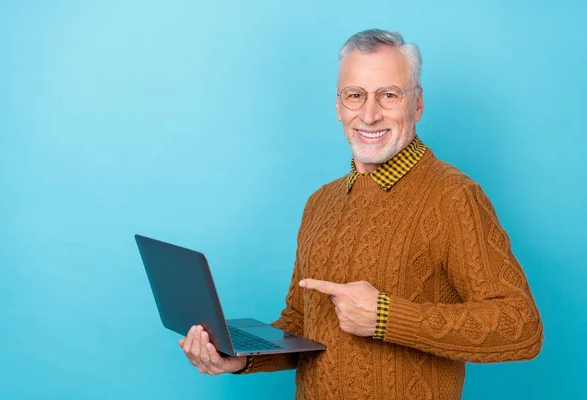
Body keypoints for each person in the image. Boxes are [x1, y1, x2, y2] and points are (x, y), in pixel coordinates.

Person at [178, 29, 544, 399]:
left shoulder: (453, 196)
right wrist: (240, 357)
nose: (369, 115)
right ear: (339, 106)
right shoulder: (320, 202)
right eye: (355, 96)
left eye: (388, 95)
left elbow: (522, 326)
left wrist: (387, 318)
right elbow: (301, 324)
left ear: (416, 105)